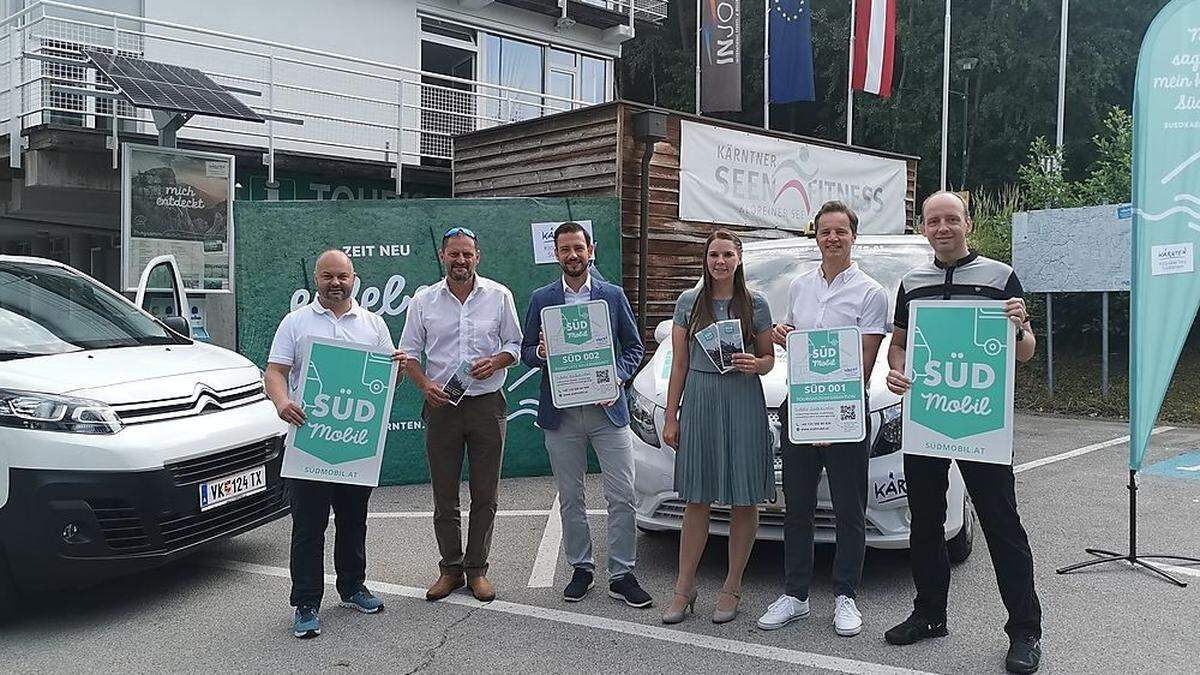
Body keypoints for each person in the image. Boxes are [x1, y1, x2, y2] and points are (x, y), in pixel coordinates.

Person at [883, 192, 1042, 674]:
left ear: (967, 223)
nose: (943, 227)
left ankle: (1025, 632)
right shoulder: (911, 282)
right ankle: (930, 614)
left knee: (1002, 525)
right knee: (925, 522)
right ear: (923, 228)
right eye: (934, 220)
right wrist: (896, 372)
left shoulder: (1000, 276)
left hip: (982, 422)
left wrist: (1019, 328)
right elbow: (899, 345)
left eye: (951, 218)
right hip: (928, 418)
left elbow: (1027, 351)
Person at [756, 201, 888, 637]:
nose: (832, 238)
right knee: (798, 508)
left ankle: (846, 595)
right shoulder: (799, 287)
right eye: (825, 231)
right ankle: (795, 595)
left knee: (850, 510)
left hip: (844, 410)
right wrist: (782, 335)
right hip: (801, 406)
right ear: (816, 237)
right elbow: (795, 339)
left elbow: (864, 362)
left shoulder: (871, 292)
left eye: (840, 231)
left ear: (854, 236)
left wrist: (831, 419)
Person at [263, 249, 407, 639]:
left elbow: (387, 384)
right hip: (309, 442)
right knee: (308, 528)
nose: (335, 283)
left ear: (354, 278)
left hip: (353, 446)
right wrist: (282, 402)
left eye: (342, 276)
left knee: (352, 521)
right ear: (316, 278)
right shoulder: (296, 322)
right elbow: (275, 372)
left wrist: (395, 369)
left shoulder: (373, 324)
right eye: (328, 276)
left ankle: (352, 587)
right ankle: (306, 602)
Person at [520, 222, 652, 608]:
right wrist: (541, 354)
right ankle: (581, 567)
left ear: (590, 250)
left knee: (622, 494)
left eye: (579, 248)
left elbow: (634, 347)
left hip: (608, 411)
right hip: (561, 414)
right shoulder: (542, 298)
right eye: (565, 249)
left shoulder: (612, 295)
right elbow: (528, 350)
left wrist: (618, 377)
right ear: (556, 254)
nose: (573, 255)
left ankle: (622, 573)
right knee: (570, 497)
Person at [399, 226, 523, 603]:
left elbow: (515, 344)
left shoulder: (499, 296)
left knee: (485, 494)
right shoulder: (423, 301)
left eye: (467, 254)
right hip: (442, 407)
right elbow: (408, 354)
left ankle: (477, 570)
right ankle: (450, 569)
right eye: (454, 254)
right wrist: (424, 385)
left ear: (477, 257)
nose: (461, 260)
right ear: (442, 256)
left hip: (488, 404)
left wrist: (498, 360)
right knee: (445, 495)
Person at [660, 229, 775, 625]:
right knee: (697, 497)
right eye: (713, 255)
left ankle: (732, 586)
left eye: (727, 254)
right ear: (705, 260)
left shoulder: (756, 303)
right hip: (703, 397)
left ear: (739, 258)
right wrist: (671, 414)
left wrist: (755, 364)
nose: (720, 262)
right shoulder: (689, 302)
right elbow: (678, 363)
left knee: (744, 497)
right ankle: (684, 586)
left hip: (742, 398)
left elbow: (769, 359)